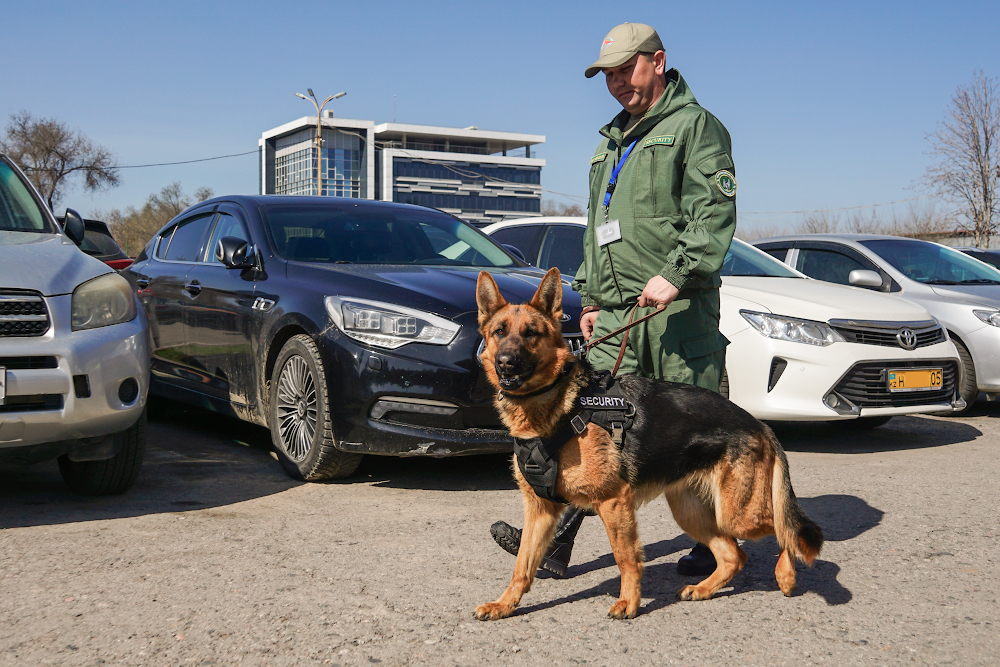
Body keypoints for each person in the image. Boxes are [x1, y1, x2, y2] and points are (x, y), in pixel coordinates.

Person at [490, 22, 737, 578]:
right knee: (585, 426)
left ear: (659, 61)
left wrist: (675, 274)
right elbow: (598, 227)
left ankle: (710, 542)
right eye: (608, 74)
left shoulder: (696, 128)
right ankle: (553, 544)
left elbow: (713, 215)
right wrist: (594, 296)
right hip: (620, 317)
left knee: (684, 432)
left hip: (675, 315)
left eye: (628, 68)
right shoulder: (611, 142)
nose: (618, 81)